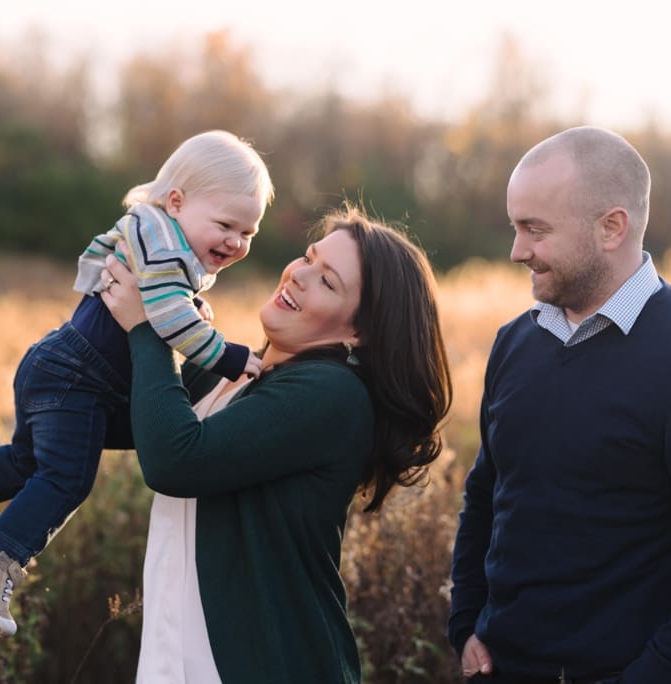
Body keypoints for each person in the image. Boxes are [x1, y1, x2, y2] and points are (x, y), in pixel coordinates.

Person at [0, 130, 274, 637]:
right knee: (68, 479)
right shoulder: (162, 248)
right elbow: (167, 318)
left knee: (31, 463)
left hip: (63, 368)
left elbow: (166, 306)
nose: (236, 242)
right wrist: (227, 355)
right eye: (226, 225)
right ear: (177, 202)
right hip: (77, 376)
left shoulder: (156, 237)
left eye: (249, 233)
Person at [448, 126, 671, 683]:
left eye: (535, 229)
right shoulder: (516, 342)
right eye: (515, 227)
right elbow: (487, 493)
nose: (516, 251)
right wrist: (465, 622)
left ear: (611, 227)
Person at [98, 205, 453, 683]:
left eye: (328, 282)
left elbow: (173, 461)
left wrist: (151, 325)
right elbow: (126, 419)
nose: (300, 276)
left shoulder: (332, 395)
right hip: (178, 659)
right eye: (308, 257)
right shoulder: (241, 374)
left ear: (359, 331)